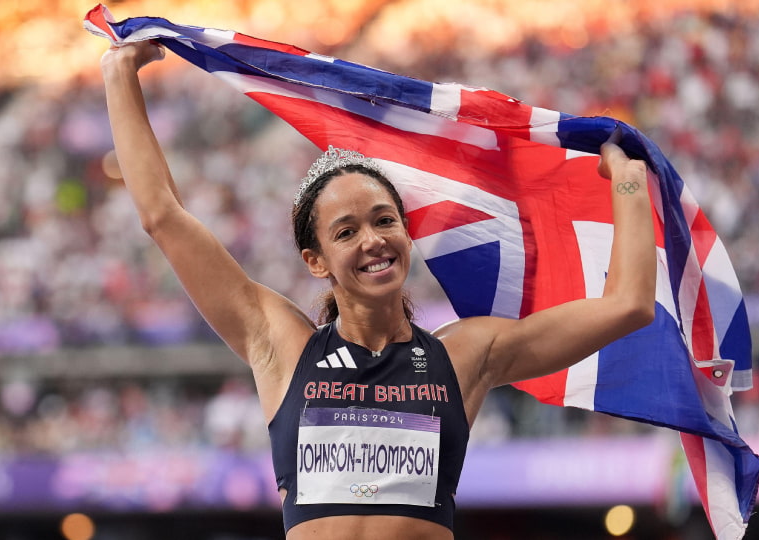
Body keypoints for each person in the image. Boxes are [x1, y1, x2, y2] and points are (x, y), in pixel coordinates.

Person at [100, 39, 656, 540]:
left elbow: (628, 305)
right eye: (346, 232)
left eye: (385, 220)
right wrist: (120, 74)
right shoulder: (280, 344)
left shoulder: (464, 356)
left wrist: (627, 179)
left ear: (406, 233)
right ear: (315, 261)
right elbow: (163, 217)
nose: (372, 241)